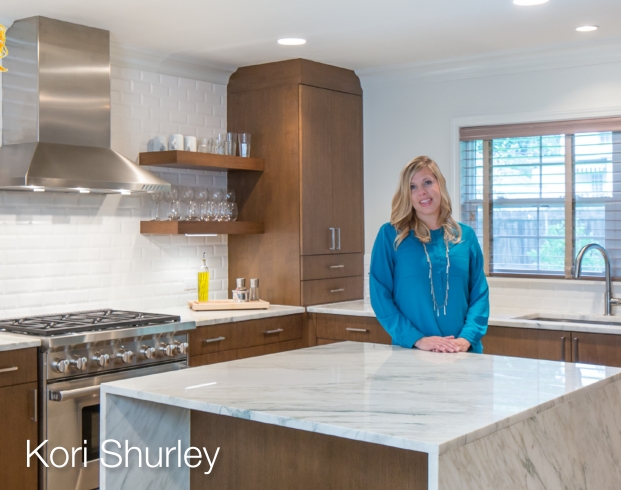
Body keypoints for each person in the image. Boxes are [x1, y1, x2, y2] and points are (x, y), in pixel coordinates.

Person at [370, 156, 489, 353]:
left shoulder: (465, 236)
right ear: (406, 195)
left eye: (427, 182)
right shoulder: (391, 235)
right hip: (412, 353)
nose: (422, 192)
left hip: (463, 352)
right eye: (412, 187)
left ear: (440, 184)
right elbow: (380, 296)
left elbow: (479, 294)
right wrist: (417, 339)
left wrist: (467, 338)